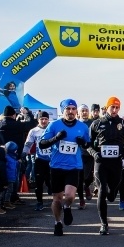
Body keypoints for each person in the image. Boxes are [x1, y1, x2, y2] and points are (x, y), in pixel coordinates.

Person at [38, 99, 91, 236]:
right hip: (56, 166)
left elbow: (88, 145)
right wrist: (55, 138)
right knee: (57, 199)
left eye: (73, 109)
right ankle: (58, 222)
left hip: (74, 166)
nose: (71, 111)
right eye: (68, 109)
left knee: (70, 195)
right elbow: (42, 144)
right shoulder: (54, 125)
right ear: (63, 111)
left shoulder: (83, 127)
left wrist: (83, 143)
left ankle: (67, 206)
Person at [87, 96, 124, 235]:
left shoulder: (123, 123)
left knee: (112, 195)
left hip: (116, 162)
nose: (115, 110)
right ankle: (104, 224)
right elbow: (88, 144)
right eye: (112, 107)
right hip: (101, 162)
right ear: (107, 108)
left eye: (117, 107)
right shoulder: (96, 123)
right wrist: (94, 153)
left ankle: (111, 192)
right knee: (101, 191)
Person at [0, 105, 37, 204]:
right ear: (13, 115)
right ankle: (12, 197)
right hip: (15, 154)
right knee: (15, 177)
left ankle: (3, 198)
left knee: (2, 177)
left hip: (1, 153)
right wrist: (27, 113)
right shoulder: (16, 125)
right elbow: (32, 124)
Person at [23, 111, 52, 211]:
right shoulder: (33, 131)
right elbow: (28, 144)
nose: (44, 121)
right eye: (41, 119)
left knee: (51, 182)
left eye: (46, 119)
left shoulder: (52, 129)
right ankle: (39, 202)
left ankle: (56, 200)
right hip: (39, 159)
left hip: (52, 160)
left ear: (48, 120)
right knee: (38, 182)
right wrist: (24, 154)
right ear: (38, 119)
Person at [77, 104, 95, 208]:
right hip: (79, 154)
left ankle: (87, 186)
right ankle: (81, 200)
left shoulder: (92, 123)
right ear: (78, 113)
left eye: (86, 110)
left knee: (88, 177)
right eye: (82, 111)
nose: (84, 112)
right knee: (80, 177)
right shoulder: (76, 124)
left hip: (90, 153)